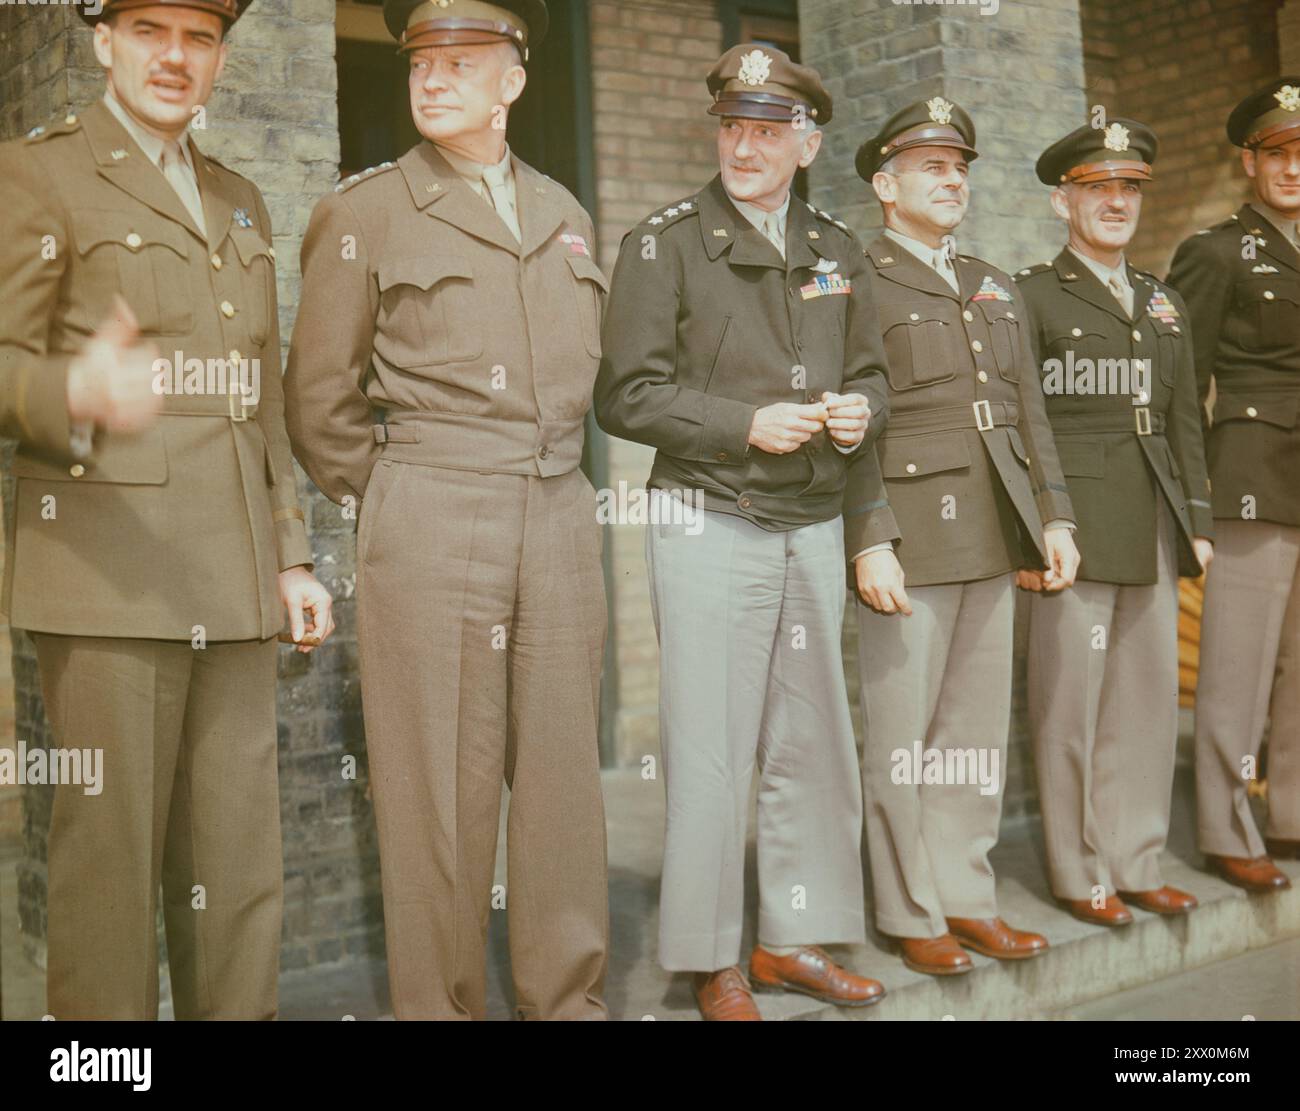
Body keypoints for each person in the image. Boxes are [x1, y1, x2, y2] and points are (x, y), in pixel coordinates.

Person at [0, 0, 334, 1019]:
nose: (175, 58)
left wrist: (289, 553)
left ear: (221, 56)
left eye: (198, 37)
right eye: (150, 30)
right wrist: (73, 394)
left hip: (233, 579)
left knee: (238, 868)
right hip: (108, 576)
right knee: (108, 866)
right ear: (103, 41)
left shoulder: (240, 200)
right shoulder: (37, 174)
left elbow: (261, 399)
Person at [284, 0, 609, 1019]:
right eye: (421, 59)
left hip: (556, 509)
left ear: (512, 79)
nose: (432, 77)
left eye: (462, 60)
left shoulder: (564, 212)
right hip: (432, 513)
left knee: (561, 780)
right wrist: (390, 496)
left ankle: (568, 1000)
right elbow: (317, 399)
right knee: (438, 793)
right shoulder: (367, 211)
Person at [595, 44, 889, 1021]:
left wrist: (858, 413)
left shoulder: (840, 249)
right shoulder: (662, 241)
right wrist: (740, 423)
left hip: (809, 519)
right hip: (706, 513)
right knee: (709, 745)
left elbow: (876, 377)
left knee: (811, 740)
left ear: (805, 145)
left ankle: (789, 939)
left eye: (767, 131)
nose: (745, 147)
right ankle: (709, 956)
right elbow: (623, 396)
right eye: (732, 127)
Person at [846, 97, 1079, 976]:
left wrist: (1052, 514)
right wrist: (867, 535)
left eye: (960, 168)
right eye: (930, 166)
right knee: (902, 736)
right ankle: (910, 911)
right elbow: (855, 424)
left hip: (994, 529)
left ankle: (965, 896)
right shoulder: (858, 277)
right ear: (885, 182)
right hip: (910, 538)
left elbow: (1030, 414)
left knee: (971, 736)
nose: (951, 180)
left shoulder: (992, 280)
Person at [1016, 119, 1212, 926]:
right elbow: (1023, 421)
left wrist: (1197, 516)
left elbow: (1182, 419)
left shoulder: (1164, 301)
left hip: (1155, 520)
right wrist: (1038, 525)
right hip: (1078, 526)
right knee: (1071, 706)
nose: (1117, 203)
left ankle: (1136, 859)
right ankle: (1078, 869)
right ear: (1064, 200)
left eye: (1129, 188)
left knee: (1143, 703)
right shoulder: (1030, 294)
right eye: (1099, 189)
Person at [1167, 77, 1300, 894]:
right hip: (1252, 468)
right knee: (1238, 664)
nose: (1292, 169)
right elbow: (1181, 383)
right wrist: (1194, 497)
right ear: (1249, 161)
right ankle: (1223, 823)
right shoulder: (1216, 251)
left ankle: (1291, 810)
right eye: (1277, 153)